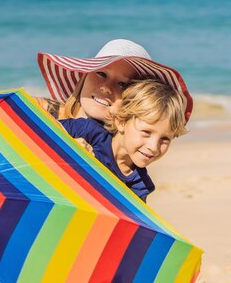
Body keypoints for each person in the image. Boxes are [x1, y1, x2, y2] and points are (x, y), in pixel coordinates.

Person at [60, 79, 188, 202]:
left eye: (165, 139)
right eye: (146, 132)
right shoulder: (86, 132)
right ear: (121, 122)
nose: (154, 147)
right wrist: (66, 146)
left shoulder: (139, 186)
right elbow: (41, 133)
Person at [35, 39, 193, 122]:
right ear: (85, 75)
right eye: (101, 74)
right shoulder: (40, 111)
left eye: (122, 84)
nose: (106, 88)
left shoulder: (114, 156)